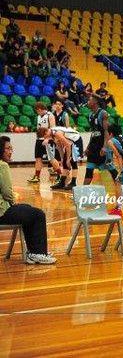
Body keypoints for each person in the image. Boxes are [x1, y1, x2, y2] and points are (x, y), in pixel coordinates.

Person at [0, 136, 56, 264]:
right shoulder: (2, 165)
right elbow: (7, 193)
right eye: (8, 148)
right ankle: (37, 253)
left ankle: (34, 251)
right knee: (38, 214)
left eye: (11, 148)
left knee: (27, 210)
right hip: (2, 212)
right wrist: (13, 204)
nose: (10, 151)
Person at [83, 96, 122, 216]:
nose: (88, 102)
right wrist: (88, 147)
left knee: (113, 174)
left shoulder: (103, 113)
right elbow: (93, 133)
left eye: (89, 100)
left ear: (95, 102)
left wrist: (105, 147)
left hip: (102, 148)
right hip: (94, 148)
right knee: (88, 172)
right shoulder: (90, 115)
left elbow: (106, 132)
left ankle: (120, 201)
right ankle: (83, 196)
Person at [38, 126, 83, 190]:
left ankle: (73, 183)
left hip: (76, 140)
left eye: (44, 136)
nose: (44, 138)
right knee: (64, 162)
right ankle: (62, 182)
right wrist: (62, 158)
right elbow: (59, 146)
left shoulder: (57, 133)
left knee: (72, 161)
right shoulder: (52, 135)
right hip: (70, 143)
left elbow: (67, 145)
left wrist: (68, 159)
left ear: (46, 132)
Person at [28, 103, 56, 184]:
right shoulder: (38, 117)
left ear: (39, 109)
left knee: (52, 159)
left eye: (37, 111)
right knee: (38, 158)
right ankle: (37, 176)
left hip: (47, 140)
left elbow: (53, 128)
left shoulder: (50, 115)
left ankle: (60, 175)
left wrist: (48, 138)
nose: (37, 113)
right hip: (39, 140)